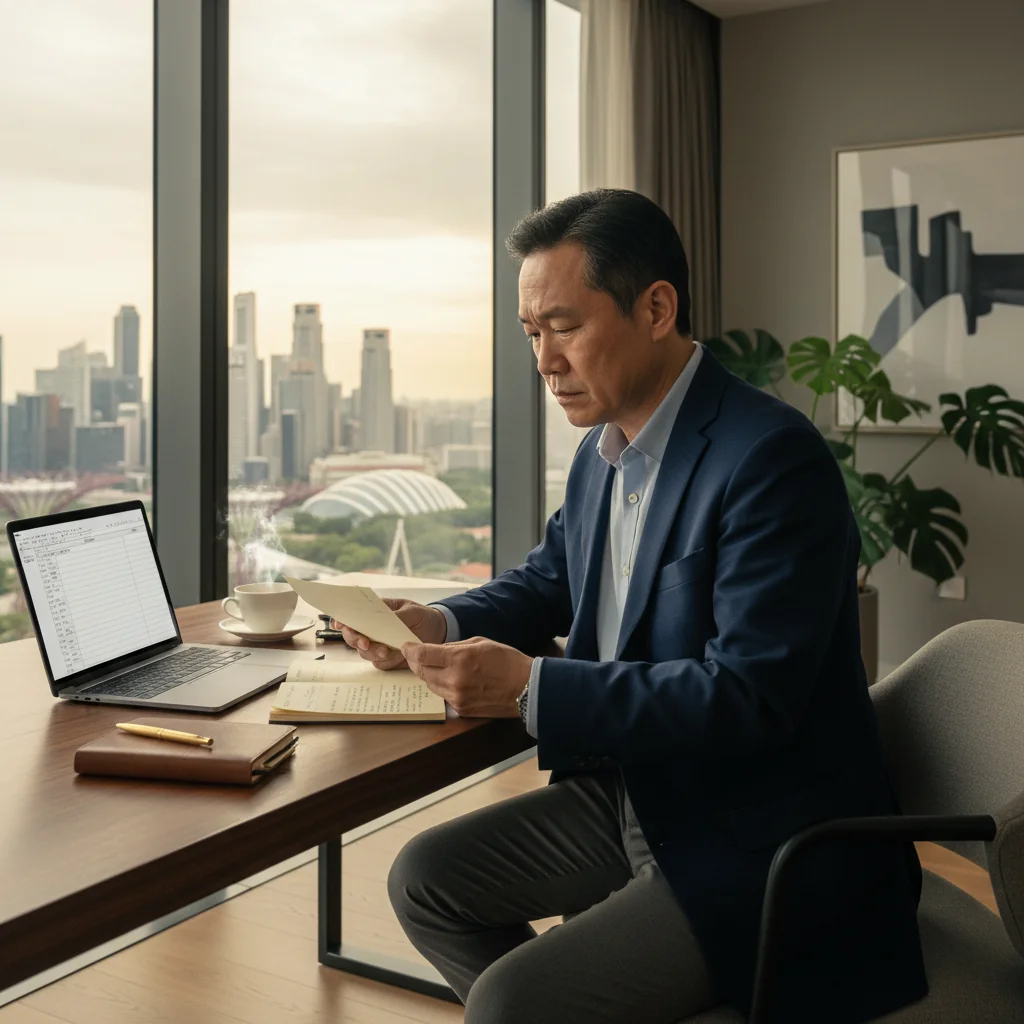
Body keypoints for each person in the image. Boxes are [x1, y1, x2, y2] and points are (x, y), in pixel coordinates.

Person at [332, 189, 927, 1024]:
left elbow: (749, 698)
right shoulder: (601, 454)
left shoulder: (769, 459)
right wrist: (438, 622)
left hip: (758, 834)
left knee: (509, 1004)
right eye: (532, 333)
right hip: (638, 794)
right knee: (424, 881)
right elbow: (547, 581)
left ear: (656, 308)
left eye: (565, 327)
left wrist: (533, 688)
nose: (544, 360)